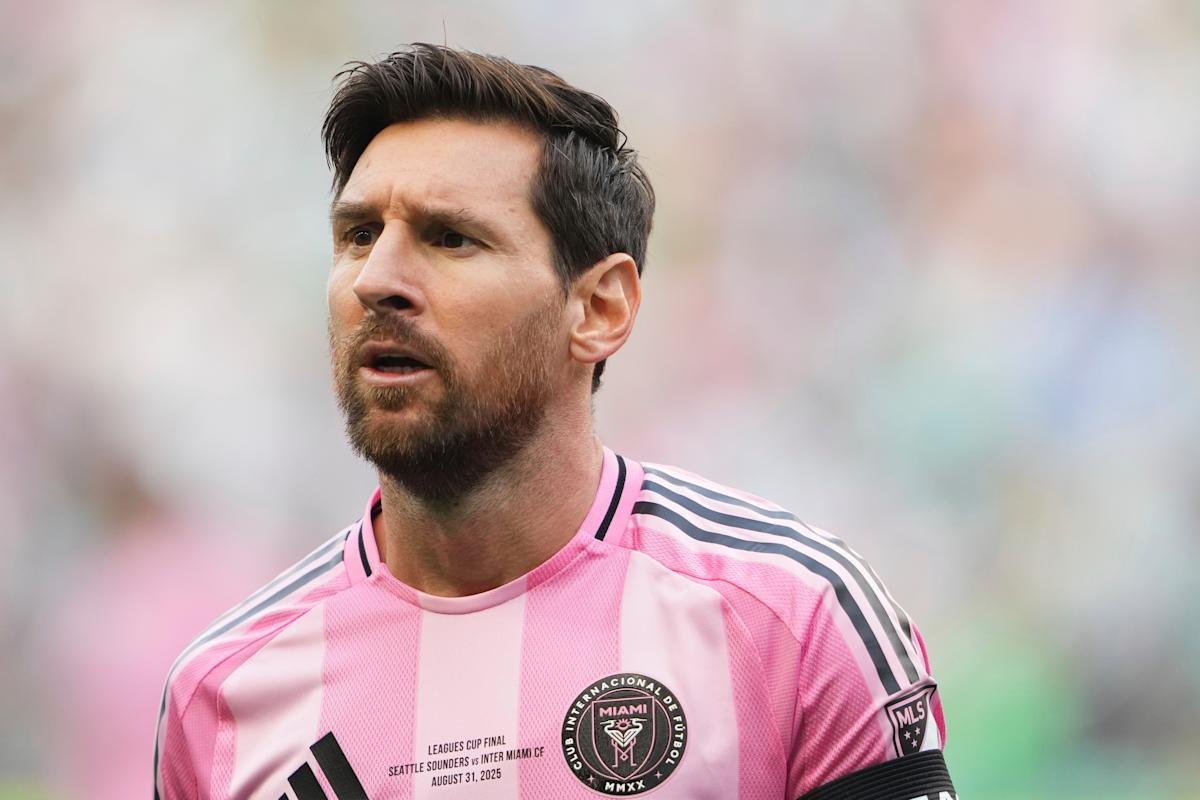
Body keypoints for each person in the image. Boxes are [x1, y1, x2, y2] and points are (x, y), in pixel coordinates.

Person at [153, 44, 957, 800]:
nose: (377, 279)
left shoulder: (795, 620)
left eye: (450, 238)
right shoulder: (222, 692)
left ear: (599, 309)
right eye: (359, 235)